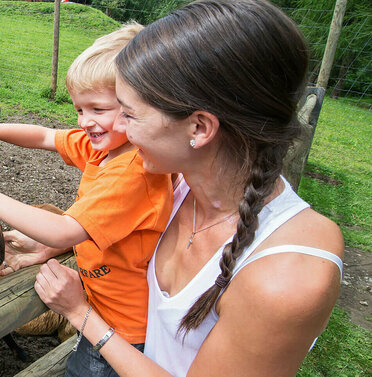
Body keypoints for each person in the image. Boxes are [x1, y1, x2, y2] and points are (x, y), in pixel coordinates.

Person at [32, 1, 345, 376]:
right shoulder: (177, 184)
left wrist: (80, 313)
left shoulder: (288, 274)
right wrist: (56, 243)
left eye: (129, 114)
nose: (122, 133)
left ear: (199, 128)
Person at [0, 22, 174, 377]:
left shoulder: (132, 172)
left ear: (138, 103)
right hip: (104, 309)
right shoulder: (102, 148)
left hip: (122, 333)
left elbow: (61, 231)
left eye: (98, 109)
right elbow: (45, 135)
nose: (85, 122)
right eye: (79, 109)